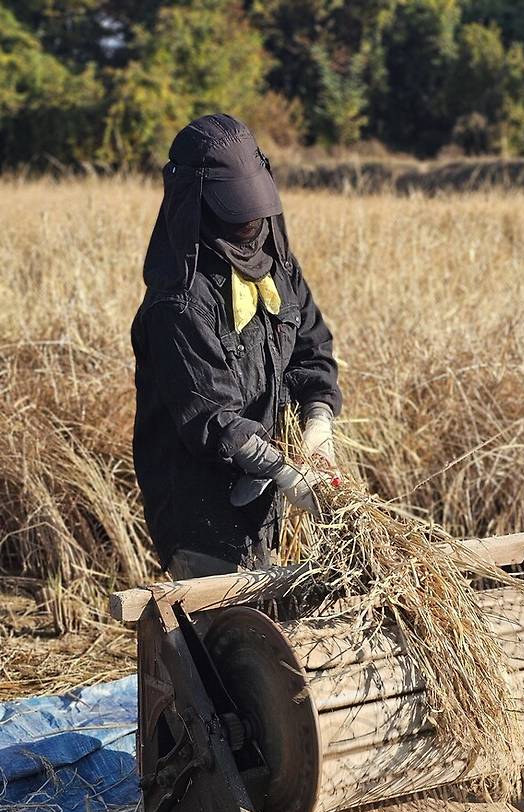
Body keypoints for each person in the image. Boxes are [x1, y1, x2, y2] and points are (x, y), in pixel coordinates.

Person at [131, 112, 342, 580]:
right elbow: (213, 417)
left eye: (255, 210)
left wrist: (318, 424)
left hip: (263, 496)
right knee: (223, 638)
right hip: (198, 505)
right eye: (236, 213)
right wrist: (284, 471)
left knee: (264, 624)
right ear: (199, 206)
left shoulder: (277, 264)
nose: (252, 224)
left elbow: (312, 352)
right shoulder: (179, 303)